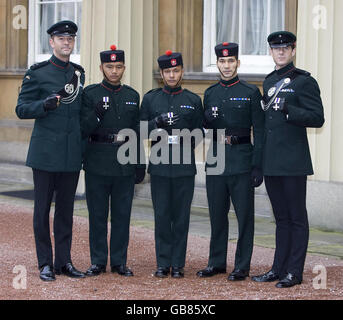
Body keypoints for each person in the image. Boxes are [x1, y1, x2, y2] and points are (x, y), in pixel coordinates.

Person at [251, 31, 325, 288]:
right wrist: (259, 163)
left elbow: (317, 117)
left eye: (285, 48)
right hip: (272, 161)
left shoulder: (304, 81)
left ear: (293, 50)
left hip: (293, 162)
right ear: (270, 51)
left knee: (296, 218)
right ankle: (278, 268)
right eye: (276, 48)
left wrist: (289, 110)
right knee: (280, 218)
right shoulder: (269, 80)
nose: (281, 52)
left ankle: (294, 271)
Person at [15, 20, 86, 281]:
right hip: (45, 154)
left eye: (70, 39)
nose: (66, 43)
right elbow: (21, 109)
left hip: (70, 154)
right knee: (42, 210)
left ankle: (63, 261)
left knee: (66, 212)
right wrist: (43, 105)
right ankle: (45, 262)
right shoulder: (37, 73)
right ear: (51, 42)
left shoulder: (78, 73)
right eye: (61, 39)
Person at [196, 43, 264, 281]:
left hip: (242, 158)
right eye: (223, 62)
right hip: (216, 159)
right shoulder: (211, 93)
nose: (227, 66)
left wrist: (258, 165)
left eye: (231, 61)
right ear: (218, 63)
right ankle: (216, 262)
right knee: (216, 214)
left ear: (237, 62)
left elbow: (261, 131)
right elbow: (206, 126)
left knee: (244, 216)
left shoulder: (251, 92)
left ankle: (242, 265)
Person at [81, 45, 145, 277]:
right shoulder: (90, 94)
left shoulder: (132, 95)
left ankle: (119, 262)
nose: (114, 71)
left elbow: (136, 132)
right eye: (110, 67)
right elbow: (83, 129)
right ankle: (98, 261)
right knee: (97, 215)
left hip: (125, 163)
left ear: (124, 68)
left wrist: (140, 163)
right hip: (97, 161)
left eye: (118, 67)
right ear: (101, 68)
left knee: (122, 216)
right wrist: (96, 113)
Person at [140, 50, 203, 278]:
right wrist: (156, 122)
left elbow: (199, 131)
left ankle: (178, 264)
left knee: (182, 217)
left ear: (182, 71)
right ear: (162, 73)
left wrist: (185, 142)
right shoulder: (151, 99)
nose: (172, 75)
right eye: (168, 71)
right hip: (159, 166)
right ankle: (162, 263)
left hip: (184, 167)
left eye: (176, 70)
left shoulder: (193, 100)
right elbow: (139, 130)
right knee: (162, 216)